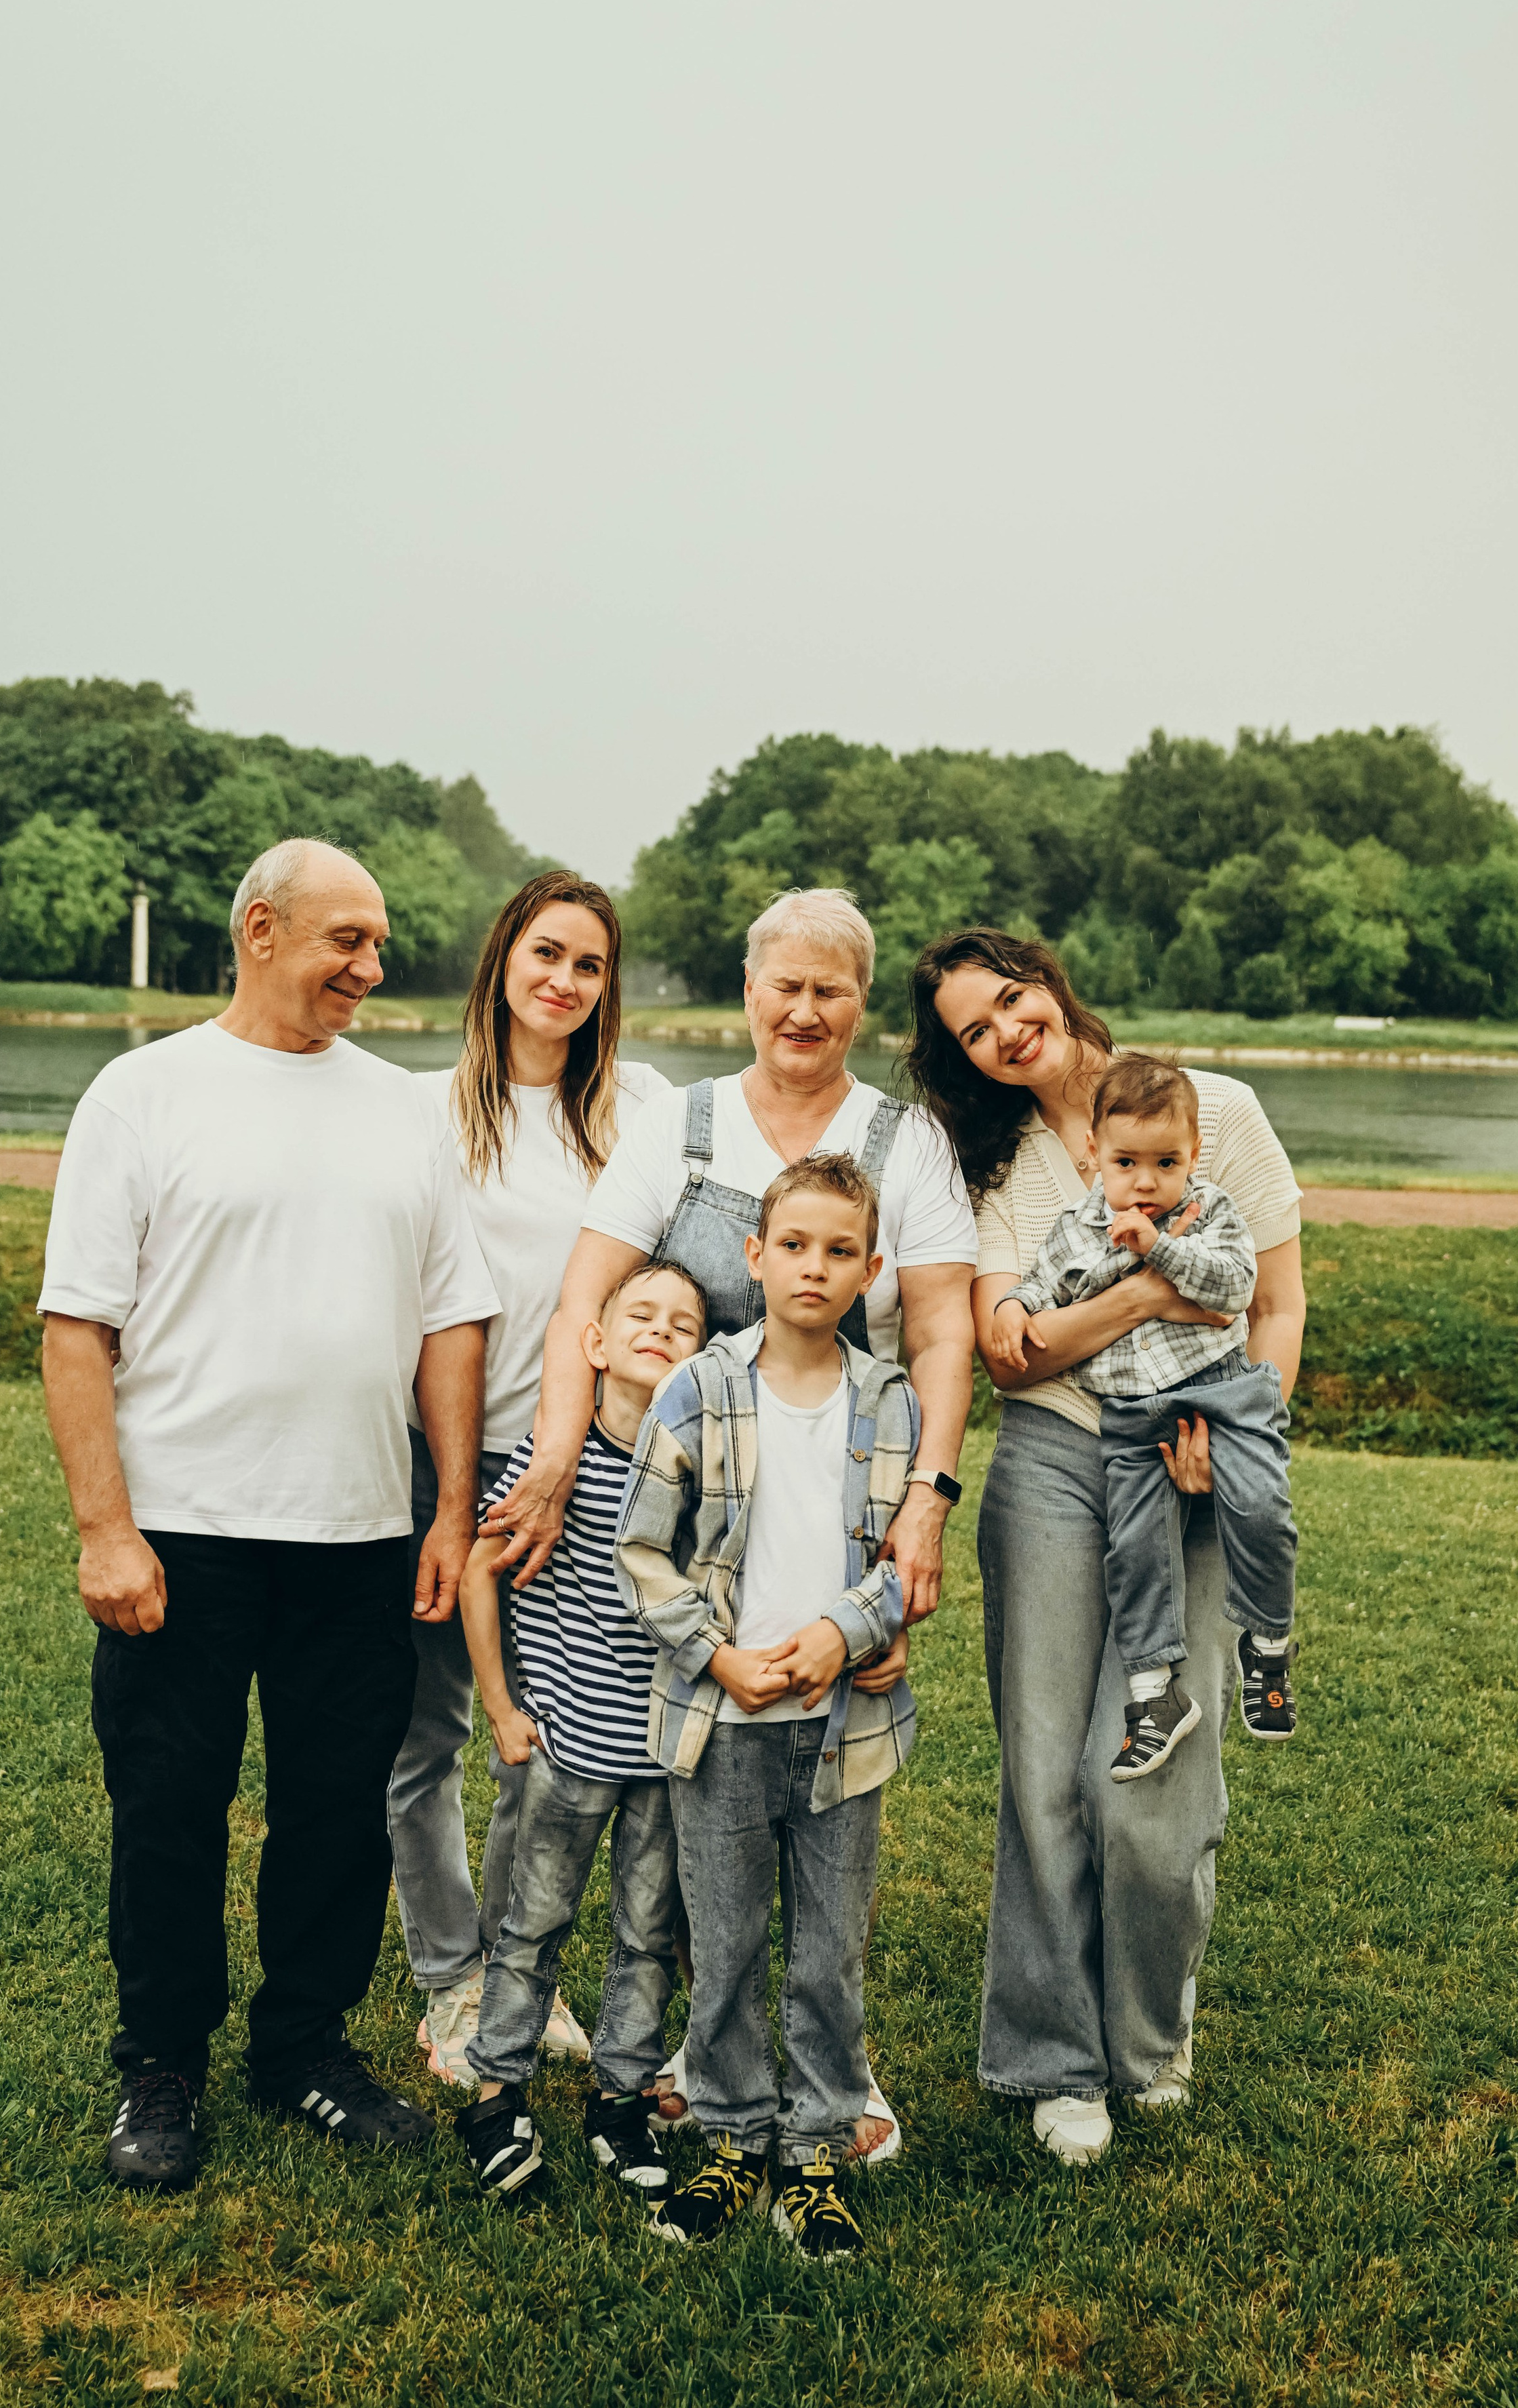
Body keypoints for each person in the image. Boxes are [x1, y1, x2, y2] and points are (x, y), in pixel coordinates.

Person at [483, 886, 976, 2158]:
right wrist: (550, 1462)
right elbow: (581, 1305)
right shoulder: (677, 1125)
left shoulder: (905, 1141)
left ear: (861, 1004)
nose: (804, 1011)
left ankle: (832, 2079)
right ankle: (700, 2069)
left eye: (831, 989)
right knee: (693, 1809)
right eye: (783, 984)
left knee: (826, 1816)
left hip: (834, 1516)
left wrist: (921, 1515)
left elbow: (939, 1334)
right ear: (747, 987)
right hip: (690, 1523)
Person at [39, 839, 500, 2192]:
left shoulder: (407, 1109)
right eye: (345, 941)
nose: (369, 967)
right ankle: (161, 2066)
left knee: (335, 1807)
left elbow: (449, 1322)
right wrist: (103, 1529)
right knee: (169, 1804)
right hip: (180, 1529)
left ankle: (303, 2046)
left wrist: (448, 1509)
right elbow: (78, 1330)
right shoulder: (145, 1092)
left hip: (357, 1527)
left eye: (377, 943)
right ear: (259, 928)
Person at [904, 927, 1306, 2168]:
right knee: (1043, 1768)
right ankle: (1052, 2058)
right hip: (1052, 1466)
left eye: (1011, 999)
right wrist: (1147, 1294)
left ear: (1051, 982)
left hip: (1190, 1460)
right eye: (974, 1028)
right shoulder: (997, 1162)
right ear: (965, 1056)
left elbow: (1275, 1302)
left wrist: (1234, 1427)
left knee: (1149, 1782)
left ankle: (1150, 2040)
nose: (1004, 1031)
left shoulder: (1214, 1108)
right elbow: (1014, 1351)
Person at [387, 872, 674, 2089]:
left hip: (582, 1463)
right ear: (504, 955)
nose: (564, 981)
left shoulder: (644, 1110)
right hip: (437, 1456)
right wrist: (451, 1486)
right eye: (547, 953)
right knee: (423, 1730)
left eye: (591, 965)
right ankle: (452, 1980)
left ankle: (522, 1973)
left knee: (537, 1729)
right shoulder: (419, 1114)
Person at [614, 1153, 919, 2259]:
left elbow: (902, 1566)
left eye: (841, 1250)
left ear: (869, 1271)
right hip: (724, 1726)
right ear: (756, 1255)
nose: (814, 1266)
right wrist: (716, 1656)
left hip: (843, 1732)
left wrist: (860, 1634)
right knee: (731, 1942)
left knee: (831, 1952)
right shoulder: (698, 1387)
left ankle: (819, 2152)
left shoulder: (890, 1401)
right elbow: (642, 1550)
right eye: (795, 1244)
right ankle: (736, 2135)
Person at [450, 1261, 708, 2204]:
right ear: (593, 1343)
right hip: (564, 1748)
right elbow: (482, 1569)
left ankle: (621, 2096)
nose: (661, 1329)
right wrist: (501, 1704)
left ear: (702, 1355)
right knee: (531, 1925)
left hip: (669, 1757)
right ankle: (496, 2093)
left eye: (684, 1323)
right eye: (640, 1313)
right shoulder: (549, 1464)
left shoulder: (701, 1472)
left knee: (648, 1934)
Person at [993, 1051, 1300, 1783]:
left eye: (1165, 1161)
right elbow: (1043, 1286)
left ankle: (1267, 1640)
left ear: (1191, 1155)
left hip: (1224, 1393)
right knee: (1137, 1552)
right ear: (1094, 1156)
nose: (1145, 1179)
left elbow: (1234, 1285)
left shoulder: (1208, 1210)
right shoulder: (1076, 1228)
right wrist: (1012, 1307)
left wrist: (1159, 1247)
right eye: (1126, 1161)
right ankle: (1153, 1695)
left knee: (1259, 1505)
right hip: (1127, 1416)